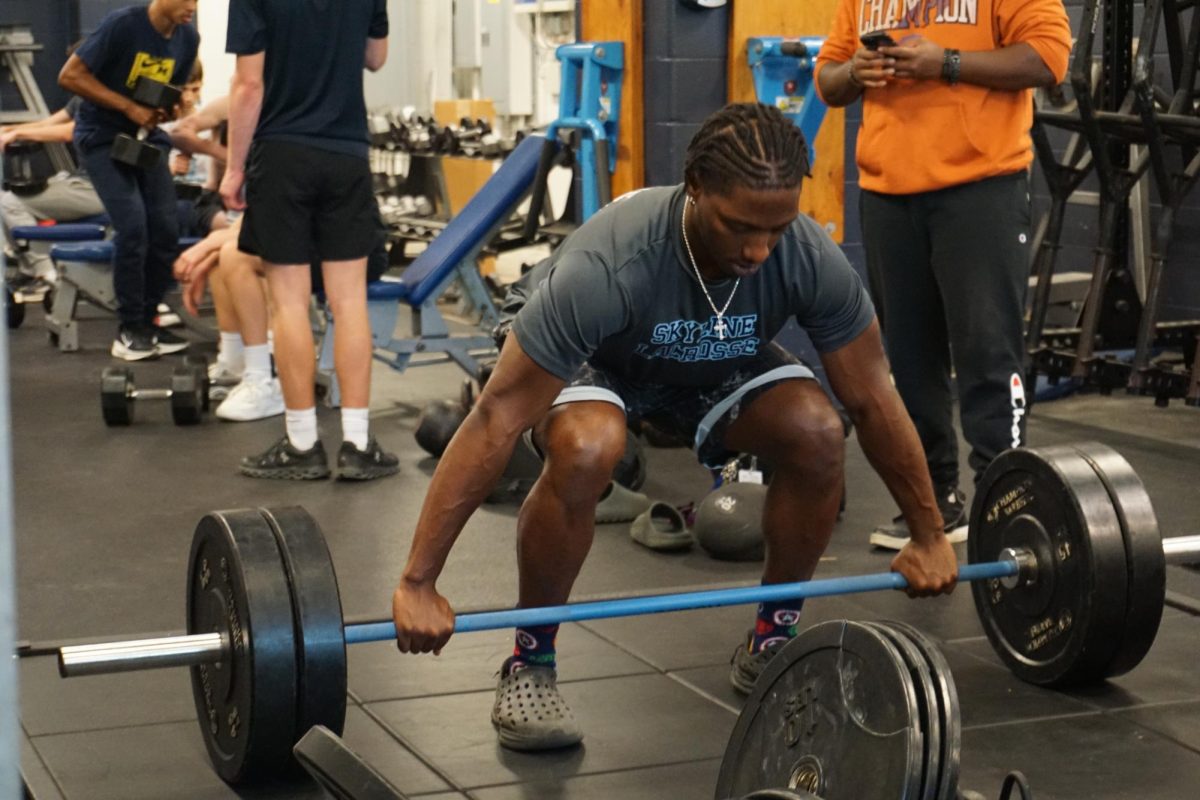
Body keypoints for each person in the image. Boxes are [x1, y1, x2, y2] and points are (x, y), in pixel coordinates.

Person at [391, 103, 960, 752]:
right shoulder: (610, 266)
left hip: (711, 355)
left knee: (818, 432)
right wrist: (418, 581)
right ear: (695, 190)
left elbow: (874, 397)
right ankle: (531, 661)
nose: (757, 249)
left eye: (776, 228)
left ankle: (772, 639)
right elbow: (495, 419)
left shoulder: (802, 255)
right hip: (602, 357)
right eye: (740, 226)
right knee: (588, 446)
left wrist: (928, 532)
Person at [815, 0, 1071, 549]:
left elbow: (1048, 60)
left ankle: (1006, 500)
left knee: (987, 348)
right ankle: (933, 504)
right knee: (907, 358)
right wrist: (856, 71)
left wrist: (947, 63)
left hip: (981, 186)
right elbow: (828, 81)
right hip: (888, 194)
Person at [221, 0, 397, 481]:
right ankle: (358, 443)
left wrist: (234, 168)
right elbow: (376, 57)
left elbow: (248, 83)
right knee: (349, 302)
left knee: (290, 304)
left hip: (283, 154)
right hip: (346, 154)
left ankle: (303, 443)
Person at [58, 0, 199, 361]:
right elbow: (69, 76)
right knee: (133, 226)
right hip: (102, 138)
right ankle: (129, 328)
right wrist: (126, 106)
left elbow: (170, 93)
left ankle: (148, 320)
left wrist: (169, 109)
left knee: (166, 227)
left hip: (145, 139)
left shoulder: (188, 38)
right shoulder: (123, 25)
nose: (194, 7)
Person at [1, 98, 106, 290]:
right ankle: (27, 268)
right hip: (82, 183)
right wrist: (8, 131)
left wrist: (17, 133)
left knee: (9, 202)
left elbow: (69, 132)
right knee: (4, 199)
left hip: (101, 191)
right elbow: (47, 124)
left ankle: (47, 273)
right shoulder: (82, 98)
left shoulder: (105, 100)